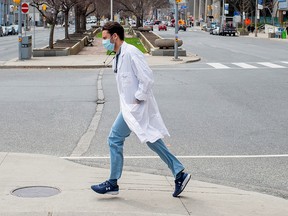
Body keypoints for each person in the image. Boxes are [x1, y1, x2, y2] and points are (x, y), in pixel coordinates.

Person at [91, 22, 191, 198]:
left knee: (121, 138)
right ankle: (178, 172)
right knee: (145, 139)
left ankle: (113, 183)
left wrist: (138, 98)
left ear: (115, 36)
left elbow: (147, 78)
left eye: (105, 38)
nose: (103, 41)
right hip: (130, 108)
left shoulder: (131, 52)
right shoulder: (119, 54)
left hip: (136, 107)